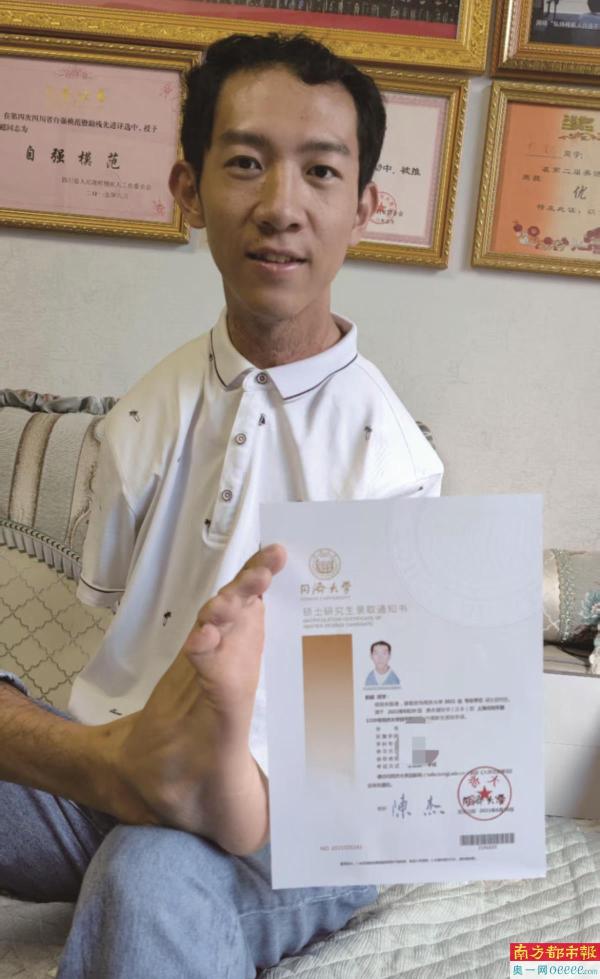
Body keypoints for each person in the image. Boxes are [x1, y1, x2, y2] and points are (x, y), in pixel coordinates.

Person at [0, 33, 443, 978]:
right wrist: (116, 761)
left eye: (321, 171)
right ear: (188, 191)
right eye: (245, 163)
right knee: (129, 825)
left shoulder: (392, 469)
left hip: (294, 826)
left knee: (147, 873)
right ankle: (144, 795)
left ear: (364, 208)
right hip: (116, 765)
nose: (281, 205)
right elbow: (116, 644)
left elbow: (345, 764)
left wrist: (216, 772)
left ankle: (164, 823)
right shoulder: (141, 416)